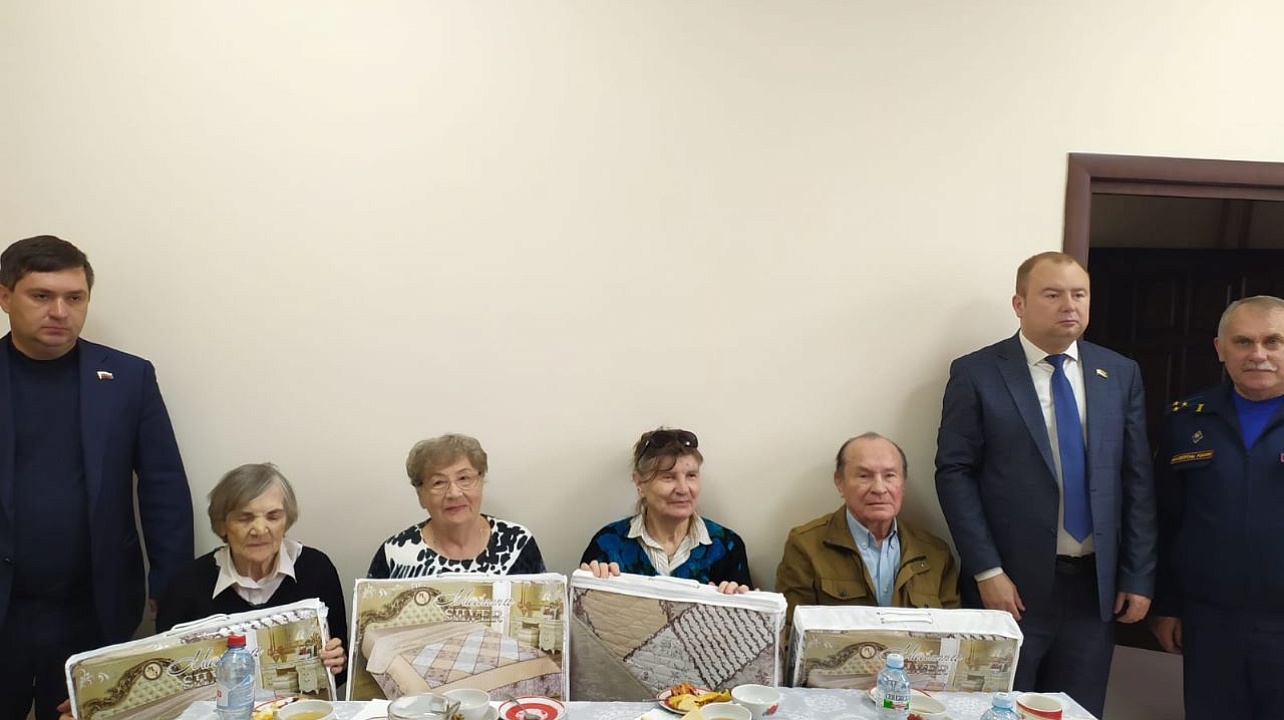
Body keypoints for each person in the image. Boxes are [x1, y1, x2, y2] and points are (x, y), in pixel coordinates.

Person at [934, 251, 1156, 717]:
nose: (1069, 306)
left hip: (1094, 591)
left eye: (1079, 294)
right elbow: (955, 473)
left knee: (1076, 711)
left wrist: (1137, 574)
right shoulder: (978, 372)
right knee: (999, 710)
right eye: (1052, 295)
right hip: (1011, 591)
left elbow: (1136, 478)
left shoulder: (1119, 372)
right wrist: (987, 571)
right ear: (1019, 304)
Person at [0, 235, 193, 720]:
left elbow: (163, 486)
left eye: (75, 297)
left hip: (93, 607)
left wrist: (171, 586)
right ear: (5, 297)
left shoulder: (128, 378)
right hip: (6, 609)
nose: (59, 311)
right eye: (41, 296)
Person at [1150, 295, 1284, 720]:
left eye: (1273, 341)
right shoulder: (1186, 419)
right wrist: (1167, 605)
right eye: (1243, 341)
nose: (1258, 354)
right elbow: (1167, 519)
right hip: (1210, 623)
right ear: (1220, 349)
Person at [156, 463, 347, 682]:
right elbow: (167, 678)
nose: (259, 529)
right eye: (245, 518)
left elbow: (340, 671)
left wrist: (337, 662)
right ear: (222, 525)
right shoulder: (185, 585)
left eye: (273, 517)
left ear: (286, 521)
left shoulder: (317, 570)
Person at [776, 433, 960, 629]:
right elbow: (790, 633)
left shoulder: (936, 554)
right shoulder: (805, 546)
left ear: (903, 483)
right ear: (840, 483)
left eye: (889, 476)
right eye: (864, 476)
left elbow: (953, 635)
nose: (879, 488)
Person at [580, 428, 752, 594]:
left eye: (691, 475)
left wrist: (740, 600)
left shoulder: (727, 546)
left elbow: (750, 612)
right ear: (639, 483)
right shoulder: (607, 544)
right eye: (668, 477)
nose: (683, 489)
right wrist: (589, 587)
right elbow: (581, 612)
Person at [368, 433, 546, 578]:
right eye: (438, 482)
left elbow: (544, 609)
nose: (454, 493)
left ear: (481, 482)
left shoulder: (518, 542)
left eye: (464, 478)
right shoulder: (395, 554)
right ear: (421, 496)